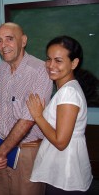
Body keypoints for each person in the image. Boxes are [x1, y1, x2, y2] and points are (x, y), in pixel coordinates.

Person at [0, 22, 53, 195]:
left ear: (23, 41)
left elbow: (28, 119)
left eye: (9, 39)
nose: (3, 45)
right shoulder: (0, 70)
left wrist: (0, 152)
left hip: (26, 153)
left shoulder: (40, 71)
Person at [26, 35, 93, 194]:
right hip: (62, 170)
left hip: (66, 174)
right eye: (48, 59)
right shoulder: (67, 89)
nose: (50, 65)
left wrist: (38, 116)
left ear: (74, 63)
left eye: (58, 60)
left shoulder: (68, 93)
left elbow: (61, 142)